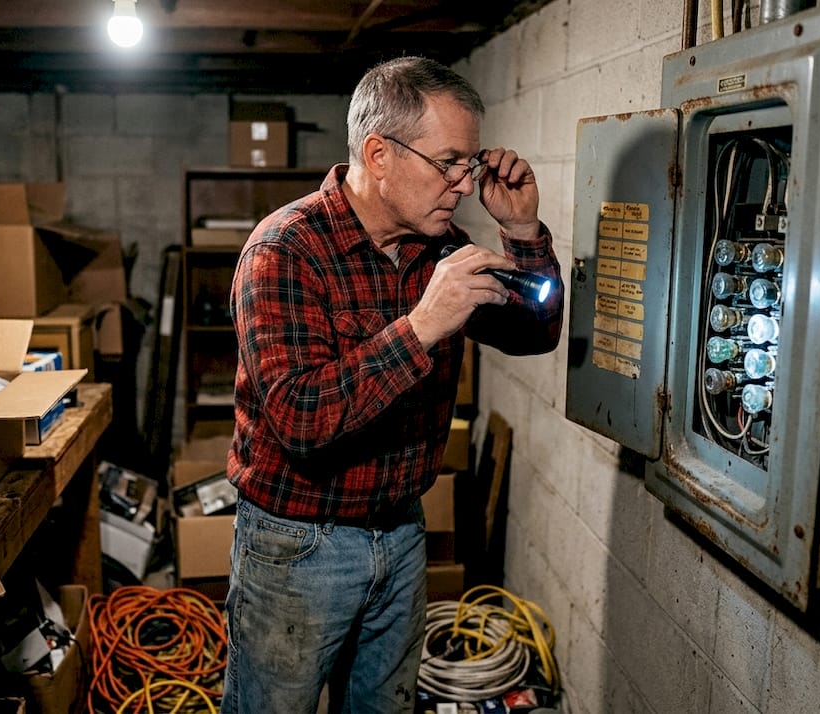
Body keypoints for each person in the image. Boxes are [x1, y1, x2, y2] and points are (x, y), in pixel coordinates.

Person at [221, 56, 564, 714]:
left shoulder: (437, 247)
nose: (465, 185)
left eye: (473, 163)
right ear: (379, 154)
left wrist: (521, 231)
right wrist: (422, 326)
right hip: (299, 544)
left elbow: (533, 332)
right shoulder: (285, 251)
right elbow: (300, 419)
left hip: (402, 533)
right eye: (450, 163)